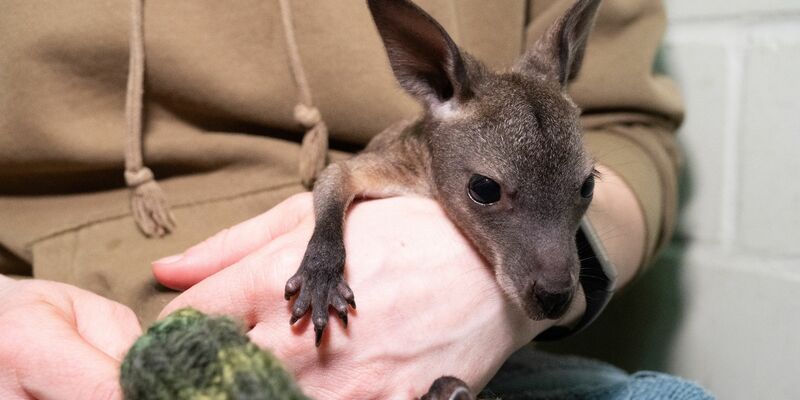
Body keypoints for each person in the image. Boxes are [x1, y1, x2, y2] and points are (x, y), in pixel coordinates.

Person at [0, 0, 681, 398]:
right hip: (85, 328)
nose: (556, 273)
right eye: (488, 193)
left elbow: (629, 132)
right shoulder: (422, 143)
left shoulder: (534, 129)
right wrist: (325, 256)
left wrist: (485, 299)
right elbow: (343, 180)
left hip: (467, 349)